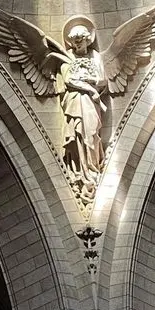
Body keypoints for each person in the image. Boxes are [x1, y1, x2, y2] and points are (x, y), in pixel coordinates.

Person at [58, 23, 107, 197]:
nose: (77, 44)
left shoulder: (95, 56)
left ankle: (93, 168)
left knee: (92, 131)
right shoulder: (67, 56)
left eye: (80, 41)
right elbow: (69, 80)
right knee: (78, 133)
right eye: (74, 42)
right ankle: (81, 171)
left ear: (88, 40)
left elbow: (102, 80)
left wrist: (91, 79)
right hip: (76, 100)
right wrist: (91, 89)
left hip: (91, 102)